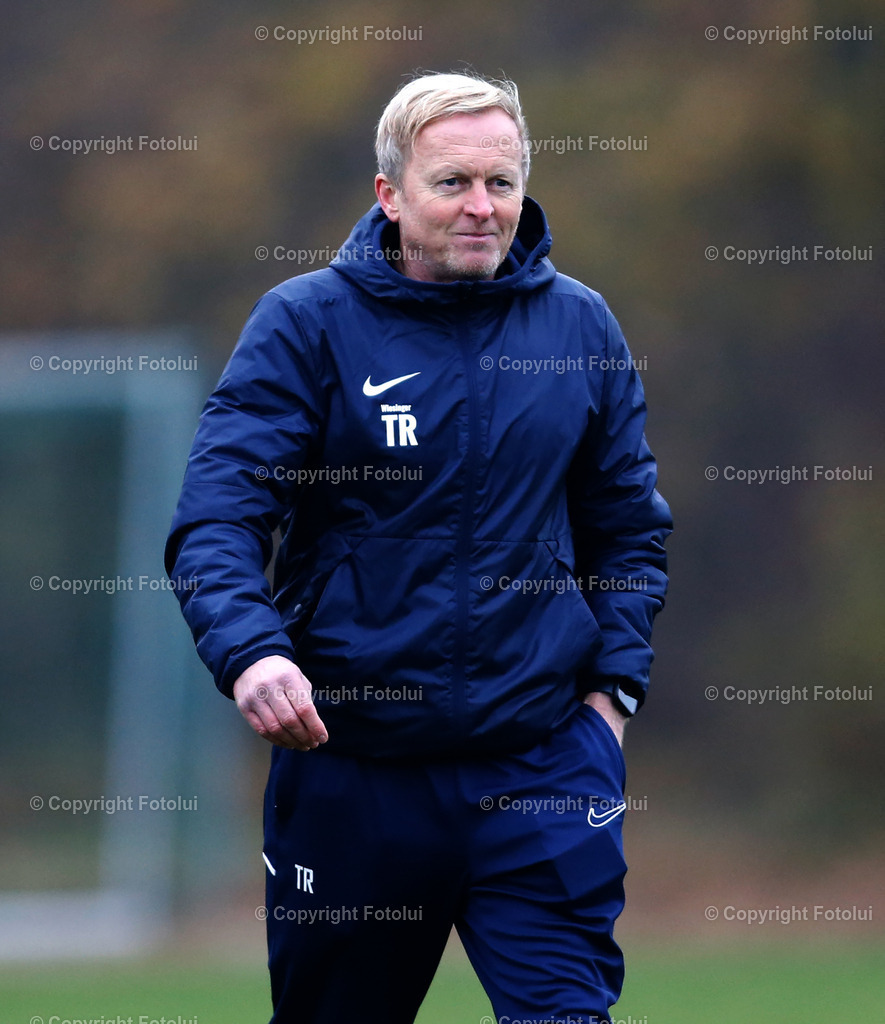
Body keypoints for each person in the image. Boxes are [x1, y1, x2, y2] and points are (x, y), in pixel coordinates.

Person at [165, 70, 672, 1024]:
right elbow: (217, 517)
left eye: (503, 181)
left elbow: (628, 529)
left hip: (542, 769)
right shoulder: (306, 323)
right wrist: (252, 651)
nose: (484, 208)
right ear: (390, 194)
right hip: (354, 771)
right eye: (452, 183)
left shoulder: (580, 327)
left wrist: (612, 694)